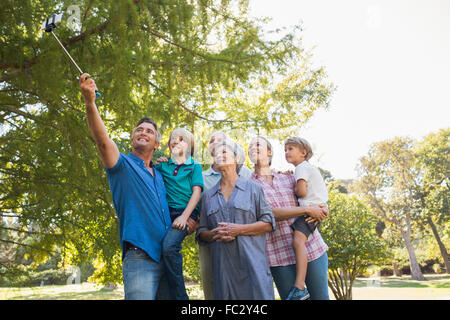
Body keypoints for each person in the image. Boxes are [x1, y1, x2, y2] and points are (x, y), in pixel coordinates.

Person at [79, 73, 171, 300]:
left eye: (149, 131)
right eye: (139, 130)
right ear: (132, 139)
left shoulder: (161, 174)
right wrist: (90, 102)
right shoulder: (122, 165)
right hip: (140, 258)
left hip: (168, 258)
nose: (143, 132)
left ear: (157, 144)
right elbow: (102, 141)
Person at [248, 136, 330, 300]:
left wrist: (323, 207)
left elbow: (313, 195)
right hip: (278, 256)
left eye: (258, 144)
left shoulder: (289, 177)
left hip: (312, 248)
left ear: (269, 152)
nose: (253, 148)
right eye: (249, 147)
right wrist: (306, 209)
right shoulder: (247, 186)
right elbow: (267, 214)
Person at [196, 139, 276, 300]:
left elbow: (268, 223)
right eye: (216, 154)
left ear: (237, 158)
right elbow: (201, 232)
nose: (219, 155)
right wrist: (213, 234)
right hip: (222, 274)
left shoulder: (254, 188)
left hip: (253, 269)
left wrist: (239, 230)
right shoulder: (207, 196)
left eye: (224, 152)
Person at [199, 131, 252, 299]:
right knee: (213, 287)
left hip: (244, 240)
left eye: (221, 140)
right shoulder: (201, 178)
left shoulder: (247, 174)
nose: (215, 143)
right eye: (211, 140)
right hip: (211, 242)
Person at [154, 128, 204, 300]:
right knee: (160, 253)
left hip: (185, 213)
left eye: (181, 139)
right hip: (165, 213)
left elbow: (196, 193)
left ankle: (182, 298)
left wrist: (185, 217)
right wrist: (158, 161)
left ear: (190, 146)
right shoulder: (163, 165)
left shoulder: (194, 166)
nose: (175, 141)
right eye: (173, 139)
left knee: (169, 247)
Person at [284, 137, 329, 300]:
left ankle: (299, 286)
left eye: (291, 149)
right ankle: (301, 284)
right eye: (285, 150)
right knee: (299, 241)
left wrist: (293, 187)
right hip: (317, 208)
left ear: (303, 152)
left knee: (298, 242)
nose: (287, 152)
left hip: (312, 210)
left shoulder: (301, 168)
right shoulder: (305, 168)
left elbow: (301, 192)